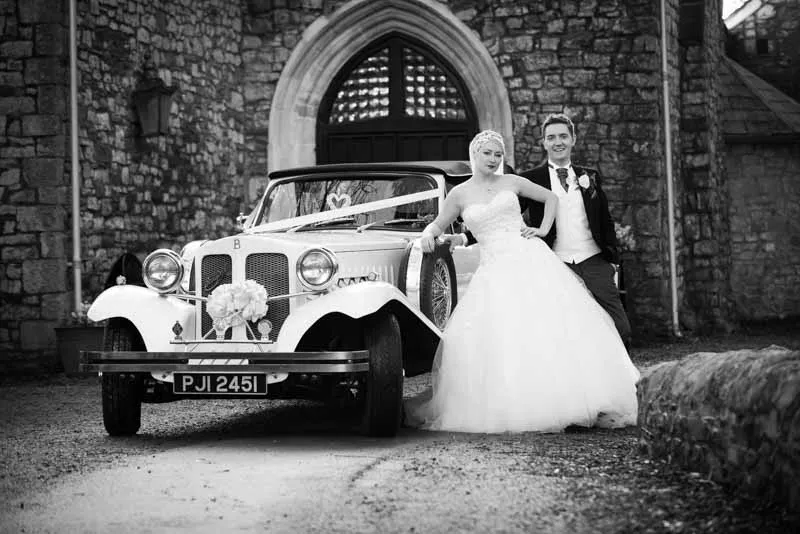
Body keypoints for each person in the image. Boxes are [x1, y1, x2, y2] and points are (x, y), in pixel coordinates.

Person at [404, 129, 639, 433]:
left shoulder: (512, 182)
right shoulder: (459, 194)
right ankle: (522, 403)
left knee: (550, 327)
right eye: (487, 153)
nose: (492, 159)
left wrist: (542, 228)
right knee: (507, 334)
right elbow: (437, 225)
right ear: (474, 155)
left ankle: (576, 398)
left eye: (498, 154)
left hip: (528, 257)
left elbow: (550, 198)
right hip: (493, 269)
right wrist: (425, 236)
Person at [445, 114, 632, 348]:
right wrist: (464, 236)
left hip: (593, 260)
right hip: (556, 261)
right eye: (551, 137)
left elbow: (605, 219)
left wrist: (611, 260)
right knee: (566, 331)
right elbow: (503, 216)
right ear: (544, 142)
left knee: (620, 327)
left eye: (563, 136)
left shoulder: (590, 176)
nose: (558, 142)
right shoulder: (531, 178)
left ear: (573, 139)